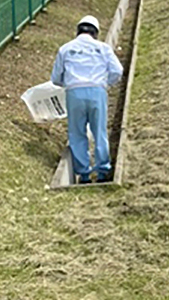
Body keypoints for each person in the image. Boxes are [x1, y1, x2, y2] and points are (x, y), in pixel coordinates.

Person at [51, 15, 124, 184]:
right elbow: (117, 71)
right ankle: (102, 172)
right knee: (100, 132)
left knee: (77, 133)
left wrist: (69, 83)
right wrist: (106, 83)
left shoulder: (66, 49)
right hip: (97, 91)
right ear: (95, 33)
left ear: (78, 31)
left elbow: (55, 78)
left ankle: (83, 174)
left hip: (74, 93)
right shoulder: (103, 48)